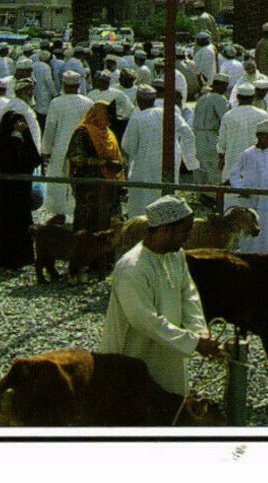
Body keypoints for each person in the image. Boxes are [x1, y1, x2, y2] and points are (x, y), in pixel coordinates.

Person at [98, 195, 223, 397]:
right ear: (166, 230)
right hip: (132, 358)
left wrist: (199, 331)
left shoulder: (176, 254)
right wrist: (193, 343)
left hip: (169, 353)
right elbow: (145, 320)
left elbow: (188, 293)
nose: (189, 237)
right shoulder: (132, 268)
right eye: (186, 231)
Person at [0, 109, 43, 270]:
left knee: (20, 224)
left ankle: (21, 258)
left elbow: (33, 159)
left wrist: (23, 138)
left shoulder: (23, 137)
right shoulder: (5, 141)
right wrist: (15, 138)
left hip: (20, 191)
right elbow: (8, 162)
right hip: (5, 192)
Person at [226, 119, 268, 253]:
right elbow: (234, 174)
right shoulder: (248, 154)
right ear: (258, 136)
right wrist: (241, 189)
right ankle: (251, 256)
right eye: (267, 136)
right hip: (254, 200)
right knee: (254, 229)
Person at [64, 101, 124, 233]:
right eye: (107, 116)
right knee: (87, 225)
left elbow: (117, 156)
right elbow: (76, 157)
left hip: (108, 187)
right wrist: (103, 163)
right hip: (89, 187)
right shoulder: (83, 132)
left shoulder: (108, 134)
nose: (109, 120)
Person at [40, 71, 94, 217]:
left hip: (61, 146)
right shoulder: (88, 102)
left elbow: (50, 127)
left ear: (64, 84)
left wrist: (46, 149)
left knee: (59, 179)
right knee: (78, 180)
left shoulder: (56, 102)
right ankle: (76, 210)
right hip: (81, 148)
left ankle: (59, 212)